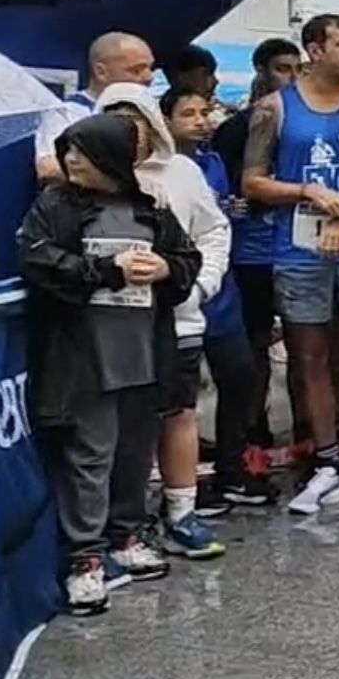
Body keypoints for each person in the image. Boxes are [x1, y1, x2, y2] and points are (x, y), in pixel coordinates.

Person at [21, 114, 202, 614]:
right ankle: (86, 559)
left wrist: (167, 268)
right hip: (84, 358)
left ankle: (128, 535)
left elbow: (186, 260)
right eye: (67, 149)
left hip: (144, 354)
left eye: (81, 150)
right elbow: (38, 262)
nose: (71, 159)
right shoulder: (53, 208)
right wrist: (106, 270)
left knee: (133, 455)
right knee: (89, 458)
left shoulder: (150, 210)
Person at [243, 14, 339, 527]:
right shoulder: (274, 110)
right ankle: (327, 461)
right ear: (314, 50)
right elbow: (253, 182)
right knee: (308, 358)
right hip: (298, 248)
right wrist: (307, 191)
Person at [98, 85, 231, 561]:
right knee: (120, 425)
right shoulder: (86, 177)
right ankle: (120, 527)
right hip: (110, 328)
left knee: (179, 413)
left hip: (177, 320)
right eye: (114, 123)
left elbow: (213, 231)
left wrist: (197, 286)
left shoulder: (182, 172)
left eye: (134, 121)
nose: (127, 133)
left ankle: (181, 513)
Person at [162, 86, 270, 508]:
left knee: (240, 376)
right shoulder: (157, 167)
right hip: (177, 290)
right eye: (188, 113)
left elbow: (218, 219)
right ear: (165, 120)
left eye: (204, 111)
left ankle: (231, 469)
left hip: (220, 289)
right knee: (179, 398)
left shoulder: (214, 162)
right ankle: (182, 489)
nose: (200, 120)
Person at [210, 36, 298, 498]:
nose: (290, 77)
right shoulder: (237, 128)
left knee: (311, 344)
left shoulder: (305, 122)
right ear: (261, 70)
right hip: (251, 255)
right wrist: (242, 202)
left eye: (295, 68)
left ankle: (310, 431)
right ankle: (253, 429)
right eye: (282, 68)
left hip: (302, 250)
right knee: (256, 346)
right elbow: (226, 191)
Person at [36, 32, 158, 184]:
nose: (149, 77)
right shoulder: (67, 113)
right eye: (136, 70)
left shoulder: (152, 111)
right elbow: (49, 169)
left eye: (150, 68)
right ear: (101, 72)